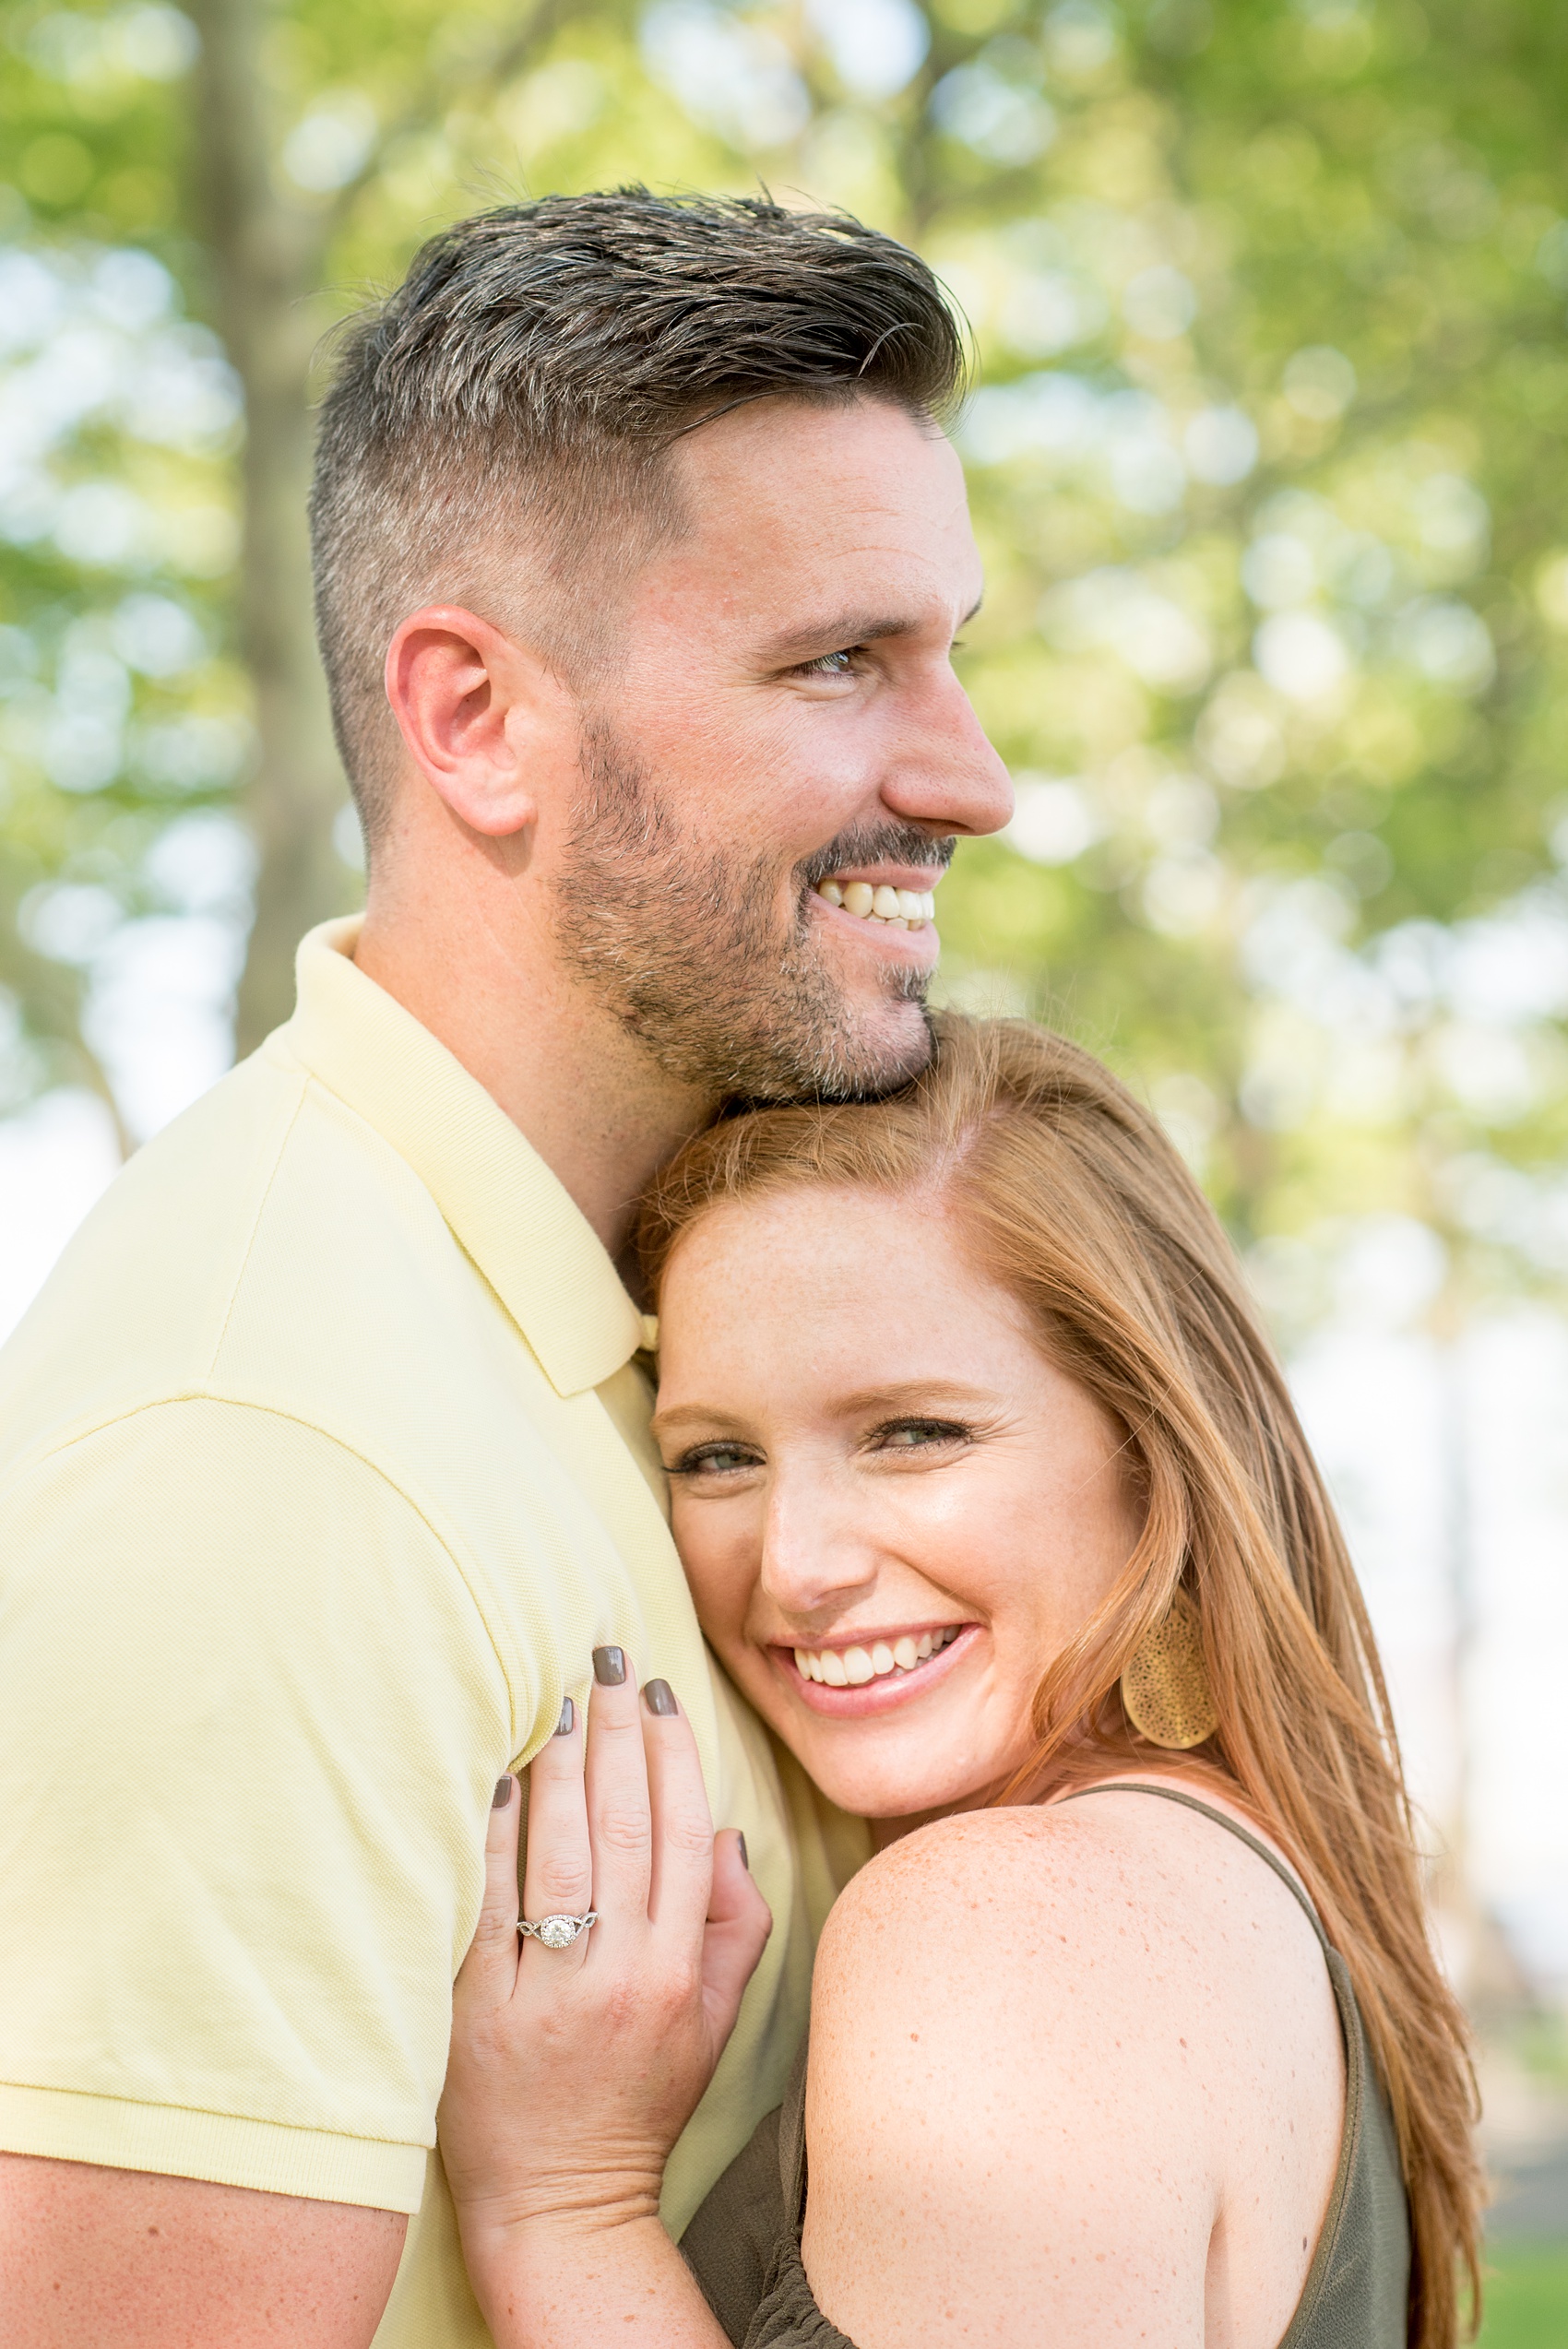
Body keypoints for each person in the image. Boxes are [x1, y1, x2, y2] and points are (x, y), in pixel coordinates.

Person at [0, 191, 1012, 2347]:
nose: (970, 777)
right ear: (472, 716)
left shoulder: (716, 1326)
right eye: (841, 659)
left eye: (952, 651)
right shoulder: (266, 1448)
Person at [433, 1015, 1484, 2349]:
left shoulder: (1009, 1924)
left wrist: (561, 2206)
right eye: (713, 1458)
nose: (798, 1566)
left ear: (1153, 1453)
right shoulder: (1242, 1874)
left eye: (913, 1433)